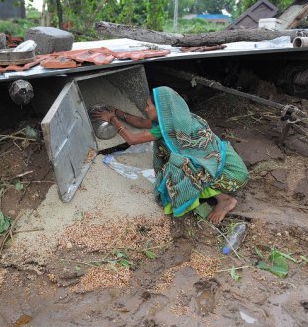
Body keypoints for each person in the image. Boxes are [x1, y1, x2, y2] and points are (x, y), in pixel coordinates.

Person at [91, 86, 248, 224]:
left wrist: (112, 120)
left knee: (183, 167)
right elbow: (139, 122)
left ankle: (225, 200)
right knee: (188, 162)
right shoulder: (179, 117)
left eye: (148, 106)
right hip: (230, 163)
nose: (146, 110)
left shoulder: (168, 127)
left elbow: (132, 139)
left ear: (160, 109)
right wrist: (116, 111)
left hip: (231, 176)